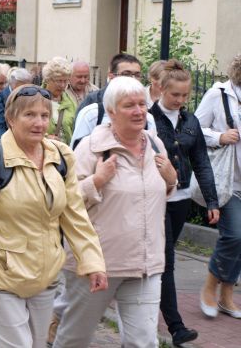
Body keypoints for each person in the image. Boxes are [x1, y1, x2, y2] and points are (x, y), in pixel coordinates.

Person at [0, 84, 107, 347]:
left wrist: (92, 261)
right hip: (0, 273)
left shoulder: (61, 156)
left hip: (44, 275)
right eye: (29, 115)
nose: (39, 123)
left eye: (44, 116)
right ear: (10, 118)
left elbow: (75, 214)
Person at [53, 76, 178, 348]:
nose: (139, 111)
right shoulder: (92, 148)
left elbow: (156, 194)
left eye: (142, 104)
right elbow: (65, 201)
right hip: (96, 265)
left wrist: (171, 179)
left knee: (143, 342)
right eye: (129, 105)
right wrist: (96, 181)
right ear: (111, 112)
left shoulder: (155, 145)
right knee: (75, 338)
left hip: (145, 262)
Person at [149, 59, 219, 345]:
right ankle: (176, 326)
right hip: (157, 198)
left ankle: (148, 299)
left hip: (182, 199)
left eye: (185, 95)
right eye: (175, 94)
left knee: (162, 258)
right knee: (167, 261)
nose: (180, 100)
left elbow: (201, 161)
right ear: (161, 89)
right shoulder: (149, 118)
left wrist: (211, 201)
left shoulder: (190, 121)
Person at [195, 54, 241, 320]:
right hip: (227, 180)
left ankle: (226, 295)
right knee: (234, 235)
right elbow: (195, 128)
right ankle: (210, 287)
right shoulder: (218, 94)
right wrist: (220, 136)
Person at [71, 53, 150, 149]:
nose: (133, 79)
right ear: (111, 76)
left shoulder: (147, 117)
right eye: (126, 74)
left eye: (137, 75)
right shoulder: (92, 111)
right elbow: (77, 154)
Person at [0, 67, 33, 140]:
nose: (26, 91)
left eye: (28, 87)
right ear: (13, 85)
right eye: (22, 88)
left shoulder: (29, 97)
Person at [42, 58, 78, 144]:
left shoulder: (70, 102)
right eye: (59, 81)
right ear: (47, 79)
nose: (62, 85)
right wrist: (46, 138)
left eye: (65, 81)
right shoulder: (36, 99)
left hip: (65, 153)